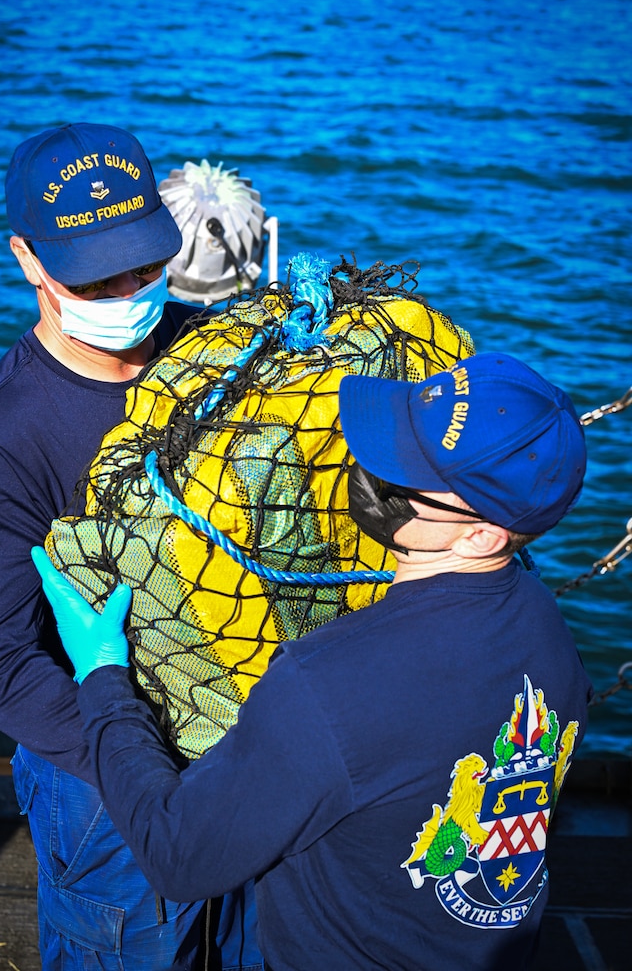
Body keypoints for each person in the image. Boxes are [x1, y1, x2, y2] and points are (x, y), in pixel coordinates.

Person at [34, 351, 593, 971]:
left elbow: (177, 856)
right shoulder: (550, 630)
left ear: (481, 533)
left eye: (403, 470)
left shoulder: (326, 681)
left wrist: (104, 675)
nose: (367, 466)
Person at [0, 122, 262, 971]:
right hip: (102, 785)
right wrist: (138, 757)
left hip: (257, 751)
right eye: (95, 274)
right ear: (28, 260)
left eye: (147, 265)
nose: (129, 290)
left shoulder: (216, 353)